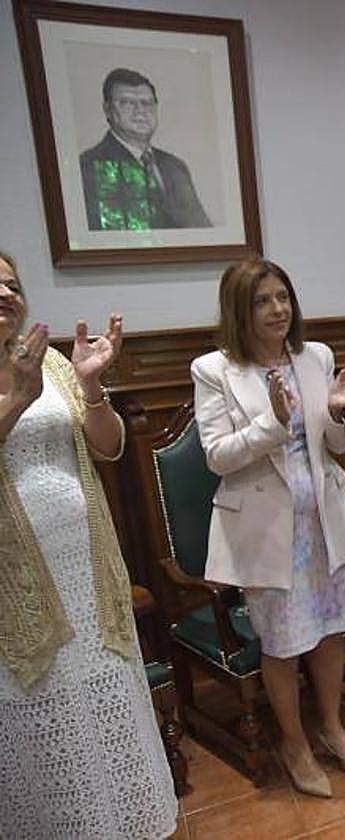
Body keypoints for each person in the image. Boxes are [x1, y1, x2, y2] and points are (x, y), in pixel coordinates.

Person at [0, 250, 177, 837]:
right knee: (46, 714)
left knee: (105, 703)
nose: (4, 294)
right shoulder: (26, 377)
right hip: (17, 584)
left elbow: (109, 447)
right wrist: (18, 400)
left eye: (9, 284)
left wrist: (92, 386)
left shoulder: (49, 361)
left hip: (85, 568)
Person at [191, 258, 345, 798]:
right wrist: (272, 422)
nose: (277, 310)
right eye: (261, 301)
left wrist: (339, 414)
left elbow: (335, 446)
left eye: (282, 298)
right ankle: (294, 744)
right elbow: (218, 457)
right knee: (283, 642)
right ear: (239, 310)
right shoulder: (215, 370)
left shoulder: (315, 357)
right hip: (267, 531)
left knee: (330, 627)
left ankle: (332, 726)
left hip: (323, 519)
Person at [79, 67, 211, 231]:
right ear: (107, 109)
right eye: (127, 103)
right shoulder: (89, 166)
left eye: (147, 103)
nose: (140, 110)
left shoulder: (174, 166)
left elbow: (200, 230)